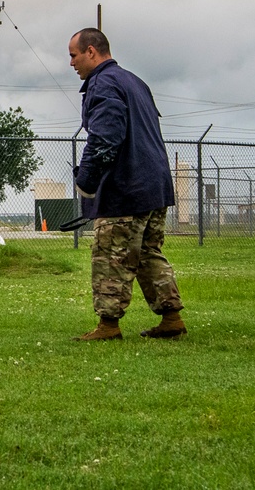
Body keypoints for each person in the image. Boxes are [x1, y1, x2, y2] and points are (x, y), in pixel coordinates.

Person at [68, 28, 186, 341]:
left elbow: (105, 137)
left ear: (91, 51)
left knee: (110, 254)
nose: (71, 63)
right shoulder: (134, 81)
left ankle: (108, 326)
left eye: (74, 55)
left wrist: (87, 181)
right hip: (155, 184)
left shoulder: (103, 83)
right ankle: (171, 318)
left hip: (127, 187)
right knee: (148, 253)